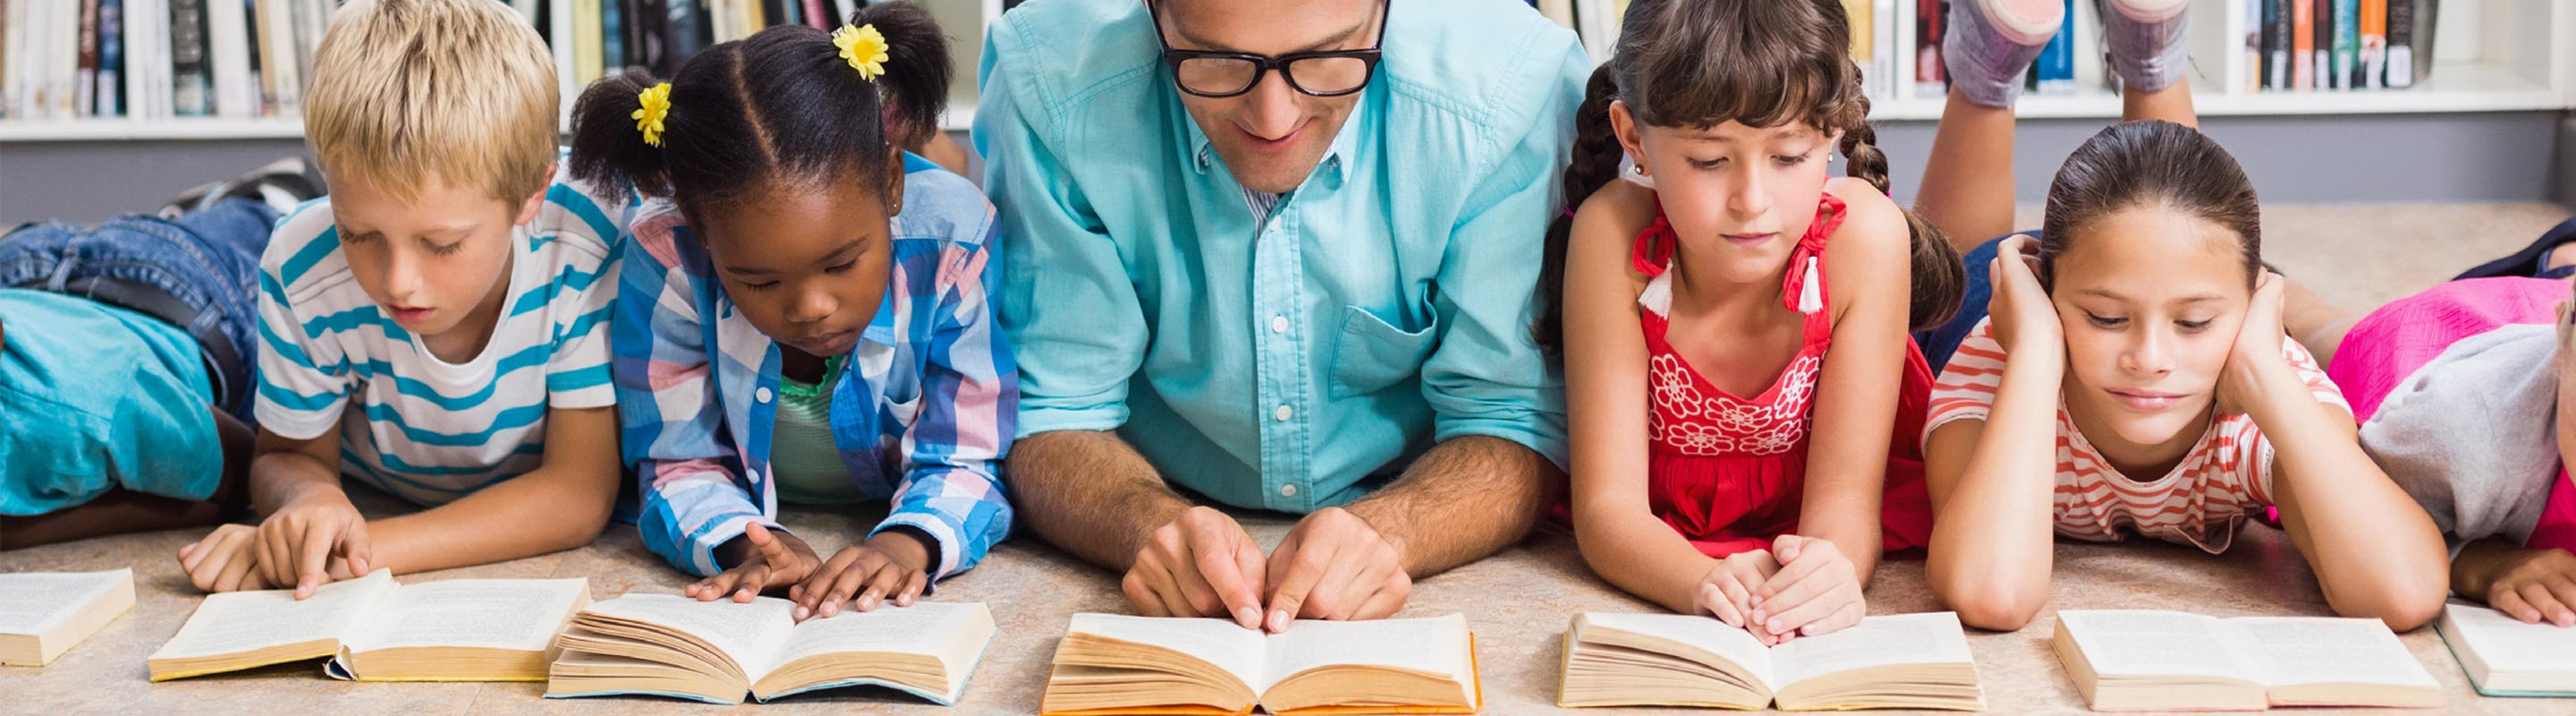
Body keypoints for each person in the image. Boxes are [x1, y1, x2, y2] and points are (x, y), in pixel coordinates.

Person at [974, 0, 1585, 631]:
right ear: (1151, 14)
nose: (1274, 118)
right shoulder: (1047, 81)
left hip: (1414, 495)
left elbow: (1518, 416)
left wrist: (1399, 528)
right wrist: (1140, 520)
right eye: (1213, 60)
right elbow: (1052, 409)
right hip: (1156, 489)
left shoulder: (1510, 88)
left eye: (1328, 58)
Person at [1911, 0, 2449, 631]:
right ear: (2049, 299)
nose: (2151, 360)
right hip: (2009, 298)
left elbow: (2405, 593)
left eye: (2194, 325)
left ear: (2250, 309)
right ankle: (1987, 68)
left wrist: (2264, 373)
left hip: (2136, 264)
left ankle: (2152, 52)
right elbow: (1990, 594)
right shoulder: (2002, 360)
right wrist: (2031, 354)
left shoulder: (2268, 384)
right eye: (2108, 320)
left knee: (2178, 225)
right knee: (1941, 282)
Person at [571, 4, 1016, 621]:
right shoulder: (665, 255)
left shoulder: (953, 243)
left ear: (892, 180)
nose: (810, 308)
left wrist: (908, 540)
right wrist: (741, 542)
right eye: (757, 280)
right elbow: (676, 458)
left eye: (841, 265)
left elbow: (967, 452)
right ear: (699, 231)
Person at [174, 0, 631, 596]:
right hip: (380, 487)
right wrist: (311, 502)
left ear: (530, 194)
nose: (397, 283)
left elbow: (577, 493)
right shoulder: (302, 264)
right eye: (358, 234)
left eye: (442, 244)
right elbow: (286, 455)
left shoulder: (587, 236)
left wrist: (355, 551)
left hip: (402, 522)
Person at [1542, 0, 1963, 644]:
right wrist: (1697, 581)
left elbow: (1847, 504)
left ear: (1832, 133)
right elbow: (1608, 511)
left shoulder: (1866, 239)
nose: (1753, 202)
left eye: (1789, 156)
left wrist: (1829, 574)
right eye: (1710, 161)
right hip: (1669, 535)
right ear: (1634, 139)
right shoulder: (1611, 235)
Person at [0, 164, 318, 550]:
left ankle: (260, 197)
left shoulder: (81, 410)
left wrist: (17, 532)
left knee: (273, 235)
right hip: (23, 268)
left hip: (184, 290)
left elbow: (240, 473)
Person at [2283, 232, 2576, 627]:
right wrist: (2483, 563)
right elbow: (2363, 530)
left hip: (2551, 308)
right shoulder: (2456, 426)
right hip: (2451, 347)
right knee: (2334, 338)